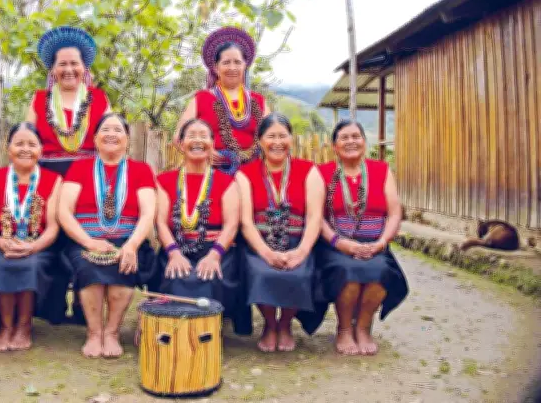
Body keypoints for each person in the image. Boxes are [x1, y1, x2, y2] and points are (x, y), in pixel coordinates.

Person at [58, 113, 157, 358]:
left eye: (117, 130)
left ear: (127, 139)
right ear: (95, 138)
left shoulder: (141, 170)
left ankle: (112, 332)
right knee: (88, 267)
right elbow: (64, 211)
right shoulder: (80, 167)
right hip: (85, 239)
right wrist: (88, 241)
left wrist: (132, 245)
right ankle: (94, 333)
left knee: (123, 267)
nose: (111, 135)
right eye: (105, 130)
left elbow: (148, 213)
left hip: (128, 239)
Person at [315, 120, 409, 356]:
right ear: (334, 146)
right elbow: (317, 217)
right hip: (337, 246)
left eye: (356, 136)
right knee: (348, 272)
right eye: (344, 138)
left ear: (364, 143)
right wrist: (340, 243)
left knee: (380, 272)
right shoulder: (322, 173)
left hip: (375, 245)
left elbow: (395, 212)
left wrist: (382, 242)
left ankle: (364, 328)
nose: (351, 142)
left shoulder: (381, 170)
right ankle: (345, 328)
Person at [152, 118, 249, 334]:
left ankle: (208, 332)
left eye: (203, 136)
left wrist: (214, 255)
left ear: (212, 144)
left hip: (217, 249)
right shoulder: (165, 180)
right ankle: (177, 331)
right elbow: (160, 222)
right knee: (178, 276)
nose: (197, 140)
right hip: (176, 247)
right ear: (181, 143)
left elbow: (232, 224)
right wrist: (174, 254)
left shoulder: (226, 182)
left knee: (209, 276)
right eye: (191, 135)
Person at [236, 114, 323, 352]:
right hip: (259, 243)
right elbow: (245, 221)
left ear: (291, 139)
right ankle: (269, 324)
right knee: (261, 272)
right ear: (260, 141)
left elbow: (315, 216)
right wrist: (265, 252)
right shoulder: (245, 173)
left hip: (297, 241)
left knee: (297, 273)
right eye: (270, 136)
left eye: (282, 136)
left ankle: (285, 324)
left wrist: (302, 251)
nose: (277, 142)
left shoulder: (309, 171)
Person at [0, 123, 63, 352]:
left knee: (30, 263)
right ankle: (6, 327)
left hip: (39, 246)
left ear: (41, 150)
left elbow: (53, 227)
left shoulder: (53, 180)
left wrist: (33, 246)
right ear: (9, 149)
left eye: (32, 144)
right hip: (0, 244)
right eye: (19, 143)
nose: (25, 149)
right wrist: (0, 242)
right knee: (3, 262)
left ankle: (24, 326)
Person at [175, 27, 270, 175]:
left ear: (245, 66)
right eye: (226, 63)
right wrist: (202, 150)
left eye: (237, 62)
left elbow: (272, 135)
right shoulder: (202, 99)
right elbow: (179, 137)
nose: (232, 67)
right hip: (210, 174)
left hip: (254, 174)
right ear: (216, 68)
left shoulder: (258, 101)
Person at [26, 26, 111, 176]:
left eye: (74, 63)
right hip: (47, 180)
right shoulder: (39, 100)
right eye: (62, 64)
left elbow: (111, 139)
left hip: (90, 180)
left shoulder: (99, 99)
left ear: (84, 67)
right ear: (52, 69)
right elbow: (27, 141)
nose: (69, 70)